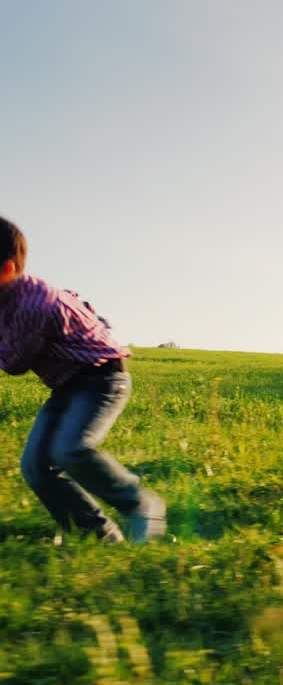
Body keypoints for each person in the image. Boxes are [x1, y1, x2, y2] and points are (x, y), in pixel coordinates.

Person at [0, 216, 166, 543]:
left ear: (6, 270)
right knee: (36, 466)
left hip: (102, 379)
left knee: (70, 450)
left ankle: (140, 504)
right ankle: (96, 534)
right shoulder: (8, 298)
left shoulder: (34, 304)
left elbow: (14, 363)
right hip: (66, 387)